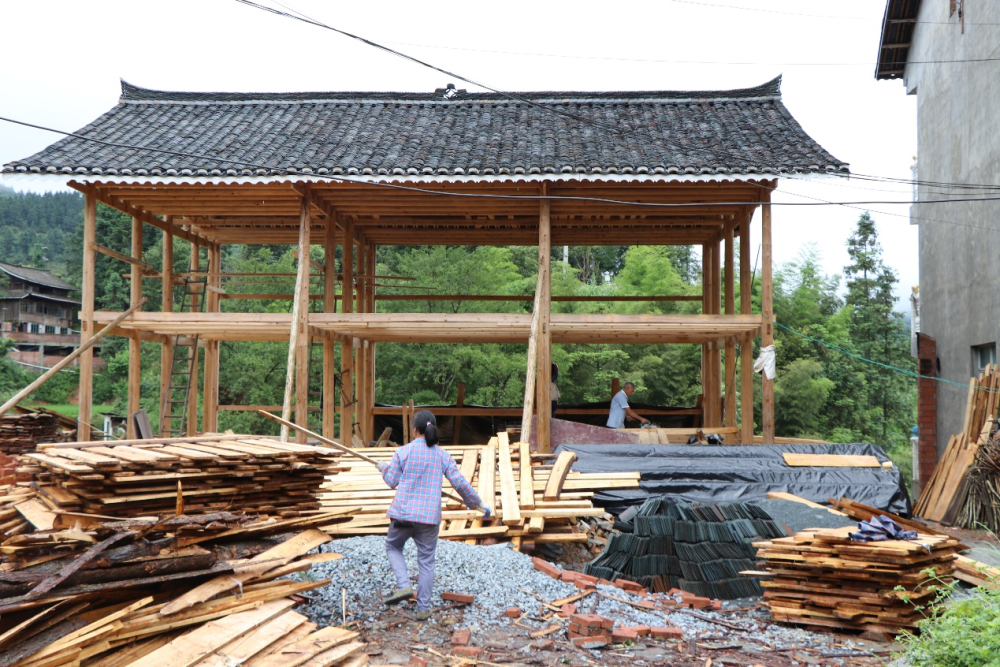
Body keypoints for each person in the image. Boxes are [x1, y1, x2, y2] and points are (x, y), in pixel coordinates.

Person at [376, 409, 490, 620]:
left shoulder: (404, 452)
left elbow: (392, 481)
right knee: (426, 561)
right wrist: (478, 503)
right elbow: (460, 483)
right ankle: (423, 609)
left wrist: (383, 467)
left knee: (393, 546)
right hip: (428, 519)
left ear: (414, 429)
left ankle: (403, 586)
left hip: (403, 514)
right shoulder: (442, 455)